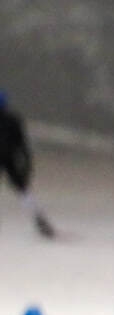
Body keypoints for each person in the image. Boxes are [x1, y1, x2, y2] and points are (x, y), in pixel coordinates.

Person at [0, 90, 55, 238]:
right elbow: (22, 142)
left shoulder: (13, 120)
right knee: (23, 190)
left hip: (8, 157)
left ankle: (40, 220)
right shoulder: (13, 119)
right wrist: (26, 161)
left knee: (22, 189)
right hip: (10, 158)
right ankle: (39, 220)